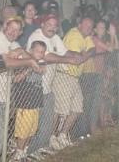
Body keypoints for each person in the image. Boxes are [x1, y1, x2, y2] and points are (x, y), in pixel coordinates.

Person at [25, 14, 86, 156]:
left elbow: (65, 51)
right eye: (49, 24)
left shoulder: (55, 37)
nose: (52, 28)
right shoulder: (37, 36)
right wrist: (68, 60)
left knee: (45, 123)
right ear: (42, 24)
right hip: (34, 85)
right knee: (31, 123)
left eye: (54, 25)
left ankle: (39, 148)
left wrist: (76, 56)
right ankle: (28, 151)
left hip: (47, 87)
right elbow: (45, 56)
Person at [0, 16, 43, 162]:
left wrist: (20, 51)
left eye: (17, 30)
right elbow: (8, 62)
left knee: (0, 136)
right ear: (5, 27)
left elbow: (26, 58)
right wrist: (29, 61)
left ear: (20, 33)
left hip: (5, 96)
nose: (13, 32)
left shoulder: (15, 44)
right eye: (11, 28)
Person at [50, 17, 95, 150]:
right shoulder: (75, 35)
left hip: (74, 77)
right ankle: (53, 137)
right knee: (61, 111)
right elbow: (77, 59)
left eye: (90, 27)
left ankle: (62, 135)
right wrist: (84, 56)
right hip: (65, 76)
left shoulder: (84, 36)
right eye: (86, 26)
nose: (88, 29)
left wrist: (85, 55)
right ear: (79, 24)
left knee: (77, 108)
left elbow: (93, 49)